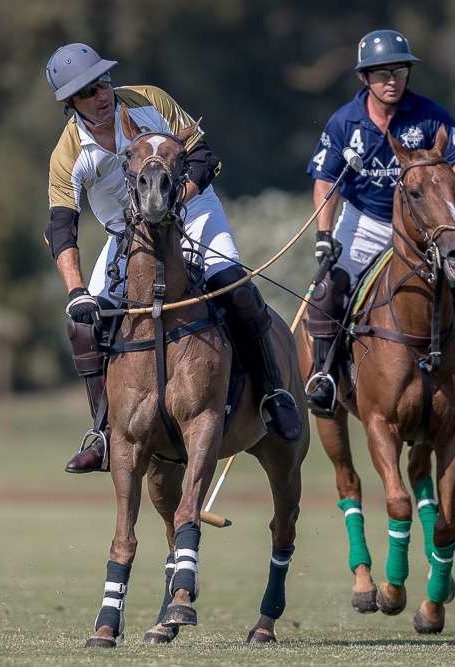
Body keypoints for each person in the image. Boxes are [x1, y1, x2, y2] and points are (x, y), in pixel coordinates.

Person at [44, 43, 302, 473]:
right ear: (71, 102)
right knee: (81, 325)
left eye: (103, 82)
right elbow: (60, 227)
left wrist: (171, 204)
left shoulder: (149, 100)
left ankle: (274, 394)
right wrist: (75, 290)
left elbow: (203, 158)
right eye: (88, 92)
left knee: (232, 286)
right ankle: (103, 430)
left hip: (193, 209)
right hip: (127, 235)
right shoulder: (69, 153)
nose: (102, 95)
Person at [304, 29, 455, 415]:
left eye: (399, 71)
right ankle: (326, 376)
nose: (392, 80)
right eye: (382, 72)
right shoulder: (344, 124)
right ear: (364, 78)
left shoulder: (430, 115)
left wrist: (442, 193)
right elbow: (325, 183)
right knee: (326, 292)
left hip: (424, 225)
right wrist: (323, 235)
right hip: (365, 222)